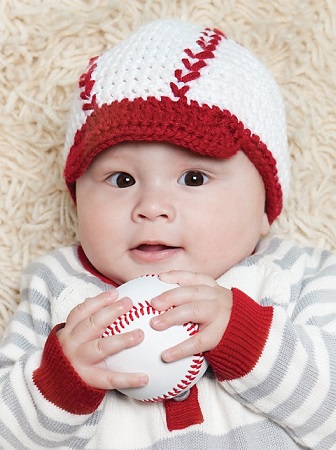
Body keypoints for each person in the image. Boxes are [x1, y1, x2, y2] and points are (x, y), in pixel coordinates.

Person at [0, 18, 335, 450]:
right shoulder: (58, 286)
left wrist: (245, 336)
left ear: (265, 207)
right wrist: (62, 382)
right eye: (121, 180)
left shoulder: (299, 276)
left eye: (193, 178)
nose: (151, 207)